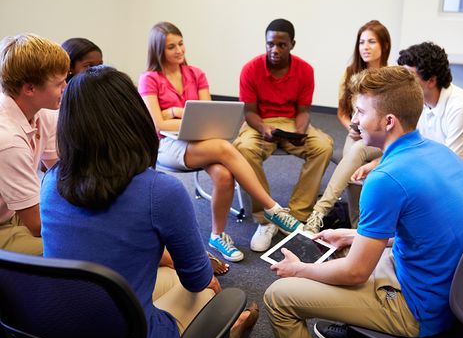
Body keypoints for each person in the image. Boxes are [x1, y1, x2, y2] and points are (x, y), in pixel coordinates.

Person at [40, 65, 259, 338]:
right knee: (207, 289)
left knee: (164, 270)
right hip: (134, 334)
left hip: (60, 328)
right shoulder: (161, 191)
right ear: (134, 117)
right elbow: (197, 278)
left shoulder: (50, 181)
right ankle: (226, 335)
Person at [264, 66, 463, 338]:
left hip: (419, 311)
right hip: (454, 294)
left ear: (388, 121)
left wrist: (298, 270)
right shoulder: (442, 153)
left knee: (278, 296)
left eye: (361, 112)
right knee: (339, 248)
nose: (354, 121)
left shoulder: (384, 179)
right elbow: (425, 231)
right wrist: (351, 235)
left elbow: (355, 272)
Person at [138, 21, 301, 263]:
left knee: (224, 175)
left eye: (181, 43)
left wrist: (173, 111)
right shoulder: (149, 79)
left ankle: (217, 235)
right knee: (226, 147)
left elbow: (208, 115)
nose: (179, 50)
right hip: (167, 145)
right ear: (158, 50)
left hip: (202, 139)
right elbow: (158, 125)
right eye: (171, 46)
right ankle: (272, 207)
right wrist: (176, 115)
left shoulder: (196, 74)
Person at [233, 18, 333, 252]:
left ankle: (297, 214)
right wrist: (263, 128)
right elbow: (249, 112)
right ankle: (267, 218)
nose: (275, 50)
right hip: (259, 123)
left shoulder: (305, 70)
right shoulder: (250, 69)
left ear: (292, 44)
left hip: (290, 122)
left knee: (323, 145)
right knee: (243, 149)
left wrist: (299, 130)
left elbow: (303, 112)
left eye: (281, 45)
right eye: (270, 44)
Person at [305, 20, 390, 232]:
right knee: (353, 167)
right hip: (356, 134)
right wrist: (353, 128)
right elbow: (343, 112)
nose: (365, 47)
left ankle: (320, 211)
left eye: (372, 41)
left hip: (382, 139)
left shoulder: (392, 78)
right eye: (362, 42)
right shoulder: (350, 73)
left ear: (384, 46)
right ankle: (356, 228)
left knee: (354, 155)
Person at [353, 42, 463, 185]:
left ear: (431, 81)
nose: (404, 83)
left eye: (410, 76)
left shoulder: (460, 108)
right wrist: (377, 163)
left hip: (459, 175)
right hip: (428, 161)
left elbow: (449, 164)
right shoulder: (417, 100)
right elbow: (407, 143)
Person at [0, 33, 69, 255]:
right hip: (6, 223)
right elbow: (37, 225)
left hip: (14, 212)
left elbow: (62, 172)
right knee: (73, 249)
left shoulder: (42, 112)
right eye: (59, 83)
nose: (66, 87)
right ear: (29, 89)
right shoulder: (8, 140)